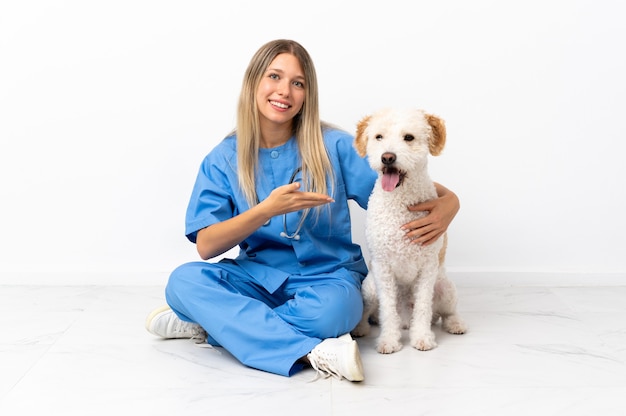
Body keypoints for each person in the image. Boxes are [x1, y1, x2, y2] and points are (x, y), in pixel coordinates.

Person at [145, 39, 460, 381]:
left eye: (298, 83)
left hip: (328, 278)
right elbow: (206, 245)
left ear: (307, 95)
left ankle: (214, 323)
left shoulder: (333, 146)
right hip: (256, 276)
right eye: (275, 77)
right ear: (254, 82)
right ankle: (312, 351)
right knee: (183, 282)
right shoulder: (223, 158)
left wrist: (451, 204)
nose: (285, 91)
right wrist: (265, 210)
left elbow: (405, 185)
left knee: (337, 311)